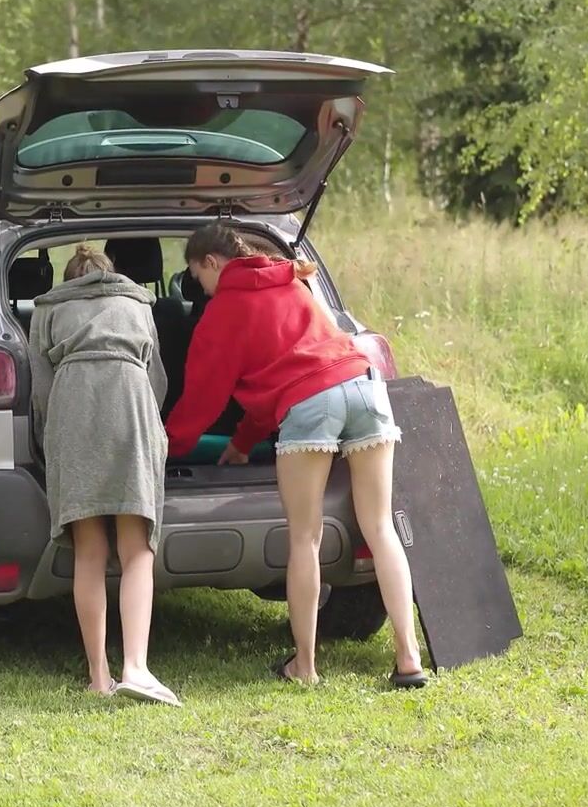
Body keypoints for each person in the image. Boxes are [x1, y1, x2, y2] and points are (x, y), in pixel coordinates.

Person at [164, 224, 427, 689]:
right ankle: (409, 659)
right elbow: (290, 365)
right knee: (380, 527)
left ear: (211, 262)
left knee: (305, 538)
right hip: (365, 387)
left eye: (197, 278)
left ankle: (304, 665)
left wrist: (168, 445)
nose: (200, 290)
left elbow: (205, 396)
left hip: (312, 404)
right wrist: (242, 442)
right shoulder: (292, 280)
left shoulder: (224, 310)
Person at [27, 244, 180, 706]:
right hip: (131, 408)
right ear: (111, 274)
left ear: (69, 279)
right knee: (137, 550)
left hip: (74, 415)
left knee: (90, 552)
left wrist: (49, 440)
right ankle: (137, 667)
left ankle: (99, 675)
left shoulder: (47, 310)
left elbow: (41, 390)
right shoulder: (137, 303)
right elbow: (157, 380)